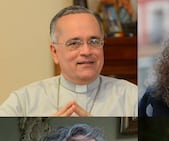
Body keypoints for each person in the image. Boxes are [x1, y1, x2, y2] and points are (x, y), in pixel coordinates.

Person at [0, 5, 137, 116]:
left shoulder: (132, 97)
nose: (86, 51)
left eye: (94, 41)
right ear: (54, 52)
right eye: (74, 43)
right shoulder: (23, 101)